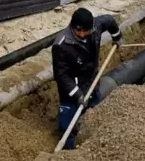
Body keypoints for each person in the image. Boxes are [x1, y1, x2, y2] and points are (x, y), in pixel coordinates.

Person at [52, 8, 123, 150]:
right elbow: (62, 76)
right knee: (67, 128)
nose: (83, 34)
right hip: (72, 91)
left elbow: (109, 20)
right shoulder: (62, 45)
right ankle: (68, 154)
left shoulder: (95, 27)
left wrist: (117, 37)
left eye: (86, 31)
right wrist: (78, 95)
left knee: (96, 115)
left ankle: (95, 147)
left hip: (91, 82)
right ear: (73, 26)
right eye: (79, 31)